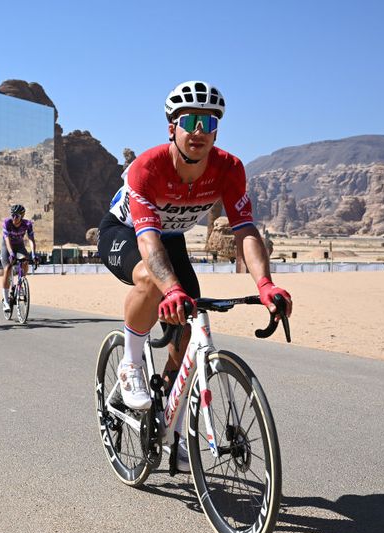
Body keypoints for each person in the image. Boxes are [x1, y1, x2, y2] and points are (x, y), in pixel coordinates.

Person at [97, 80, 293, 471]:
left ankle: (169, 426)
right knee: (154, 283)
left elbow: (245, 232)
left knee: (189, 328)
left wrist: (266, 285)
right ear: (173, 127)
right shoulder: (147, 168)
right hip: (127, 234)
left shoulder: (228, 169)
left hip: (170, 240)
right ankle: (131, 364)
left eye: (209, 121)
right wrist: (170, 288)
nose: (200, 130)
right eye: (190, 120)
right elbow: (149, 242)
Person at [0, 204, 38, 311]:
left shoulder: (27, 224)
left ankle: (21, 282)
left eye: (17, 216)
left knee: (25, 261)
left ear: (22, 216)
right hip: (7, 246)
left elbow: (31, 239)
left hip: (19, 245)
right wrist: (11, 253)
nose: (14, 218)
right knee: (7, 268)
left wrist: (34, 254)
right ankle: (5, 300)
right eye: (13, 215)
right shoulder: (7, 223)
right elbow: (6, 239)